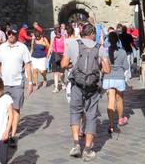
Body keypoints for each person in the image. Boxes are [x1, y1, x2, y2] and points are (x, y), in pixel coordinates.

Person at [61, 23, 111, 161]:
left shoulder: (72, 45)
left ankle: (76, 144)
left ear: (82, 33)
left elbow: (63, 64)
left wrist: (73, 65)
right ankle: (88, 150)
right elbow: (107, 70)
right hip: (93, 88)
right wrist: (99, 67)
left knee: (75, 113)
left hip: (77, 86)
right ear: (93, 34)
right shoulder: (100, 48)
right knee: (91, 116)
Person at [0, 24, 33, 148]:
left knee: (16, 109)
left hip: (17, 84)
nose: (11, 35)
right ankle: (6, 131)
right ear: (7, 33)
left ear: (17, 34)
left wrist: (30, 82)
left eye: (13, 33)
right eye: (9, 33)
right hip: (3, 84)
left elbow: (27, 65)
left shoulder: (22, 47)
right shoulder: (2, 47)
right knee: (5, 110)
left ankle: (13, 135)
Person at [103, 32, 129, 133]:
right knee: (119, 99)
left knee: (111, 100)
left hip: (108, 77)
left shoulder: (105, 52)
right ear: (118, 40)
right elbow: (126, 66)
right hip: (119, 77)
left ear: (108, 40)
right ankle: (120, 119)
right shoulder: (122, 52)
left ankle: (111, 125)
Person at [47, 25, 66, 92]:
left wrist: (65, 54)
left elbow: (66, 47)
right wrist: (48, 54)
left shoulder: (64, 38)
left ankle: (63, 82)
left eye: (59, 32)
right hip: (55, 56)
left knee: (61, 74)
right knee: (55, 72)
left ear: (60, 32)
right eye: (56, 33)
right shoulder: (54, 39)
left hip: (62, 56)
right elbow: (50, 46)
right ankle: (56, 87)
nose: (58, 34)